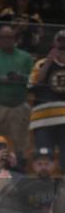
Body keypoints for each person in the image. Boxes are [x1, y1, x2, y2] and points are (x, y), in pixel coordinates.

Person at [0, 25, 33, 155]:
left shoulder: (26, 57)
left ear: (15, 39)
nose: (6, 40)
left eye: (9, 37)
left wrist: (21, 77)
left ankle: (20, 166)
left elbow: (33, 79)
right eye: (3, 37)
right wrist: (0, 79)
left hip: (19, 105)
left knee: (21, 141)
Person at [28, 30, 65, 171]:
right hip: (44, 118)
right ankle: (43, 187)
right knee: (44, 157)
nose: (63, 45)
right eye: (60, 41)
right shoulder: (41, 63)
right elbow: (33, 85)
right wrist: (49, 61)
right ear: (54, 43)